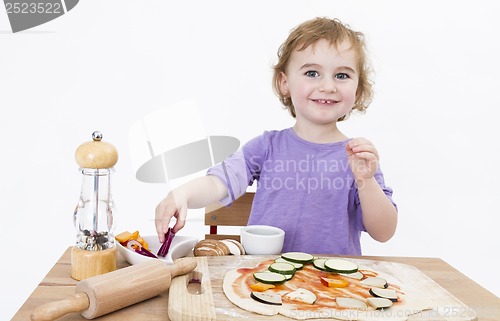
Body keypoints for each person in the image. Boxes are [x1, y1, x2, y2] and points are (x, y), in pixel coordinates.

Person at [155, 17, 397, 255]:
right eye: (312, 73)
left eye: (342, 75)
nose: (328, 86)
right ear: (285, 83)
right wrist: (181, 194)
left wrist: (367, 182)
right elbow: (218, 183)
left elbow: (384, 232)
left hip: (332, 287)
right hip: (261, 282)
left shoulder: (359, 159)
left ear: (358, 88)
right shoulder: (266, 147)